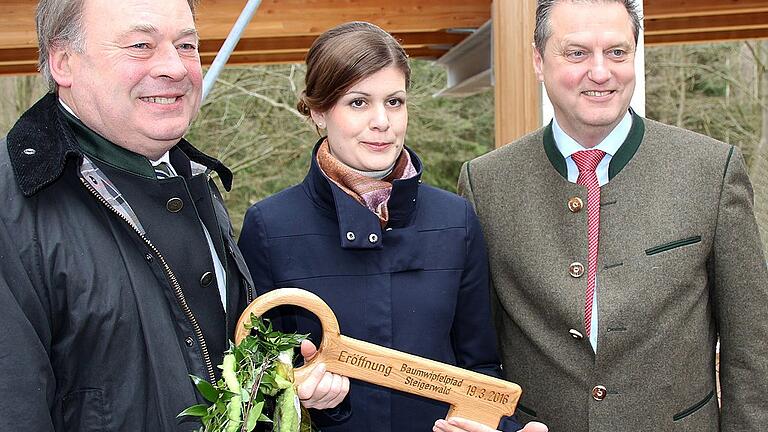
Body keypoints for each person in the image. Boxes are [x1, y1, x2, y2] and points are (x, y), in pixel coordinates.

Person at [0, 0, 340, 430]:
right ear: (64, 62)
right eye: (141, 45)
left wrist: (283, 379)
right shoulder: (12, 208)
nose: (176, 68)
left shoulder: (193, 181)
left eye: (186, 45)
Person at [458, 0, 768, 430]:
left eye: (617, 52)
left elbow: (751, 347)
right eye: (577, 53)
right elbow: (477, 347)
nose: (600, 72)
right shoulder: (486, 183)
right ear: (538, 61)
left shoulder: (711, 171)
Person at [238, 21, 546, 432]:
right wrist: (307, 400)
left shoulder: (455, 220)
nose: (382, 121)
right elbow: (251, 389)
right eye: (359, 103)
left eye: (395, 101)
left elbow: (480, 367)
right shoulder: (270, 227)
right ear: (318, 111)